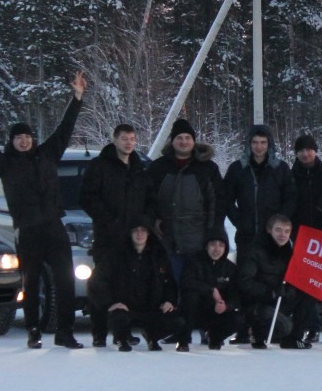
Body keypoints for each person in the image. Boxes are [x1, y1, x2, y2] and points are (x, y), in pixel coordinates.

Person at [0, 72, 86, 350]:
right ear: (12, 141)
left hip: (54, 226)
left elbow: (65, 128)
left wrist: (77, 98)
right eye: (19, 138)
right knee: (32, 281)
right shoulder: (4, 164)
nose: (24, 141)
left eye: (27, 137)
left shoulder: (48, 154)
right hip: (28, 230)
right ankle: (33, 330)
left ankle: (65, 331)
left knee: (65, 282)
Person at [80, 122, 152, 346]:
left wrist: (144, 223)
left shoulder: (139, 169)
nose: (129, 143)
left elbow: (149, 199)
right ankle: (99, 333)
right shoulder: (99, 166)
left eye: (132, 139)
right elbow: (87, 198)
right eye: (124, 139)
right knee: (101, 286)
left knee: (128, 286)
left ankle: (124, 330)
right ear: (114, 140)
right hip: (107, 237)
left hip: (133, 240)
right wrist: (109, 220)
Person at [144, 117, 222, 284]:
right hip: (167, 240)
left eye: (188, 138)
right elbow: (148, 198)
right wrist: (154, 219)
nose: (184, 142)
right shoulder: (158, 167)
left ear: (193, 141)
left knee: (196, 287)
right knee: (170, 287)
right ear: (172, 141)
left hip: (198, 241)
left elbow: (216, 203)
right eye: (179, 138)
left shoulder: (208, 168)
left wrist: (212, 232)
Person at [96, 218, 184, 352]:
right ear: (129, 234)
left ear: (149, 234)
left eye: (143, 230)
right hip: (125, 308)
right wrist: (110, 303)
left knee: (178, 322)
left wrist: (169, 301)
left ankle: (152, 336)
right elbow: (97, 281)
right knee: (118, 318)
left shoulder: (159, 255)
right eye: (135, 231)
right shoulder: (116, 255)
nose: (139, 234)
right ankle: (122, 338)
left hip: (152, 308)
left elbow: (170, 283)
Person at [236, 214, 314, 349]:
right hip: (257, 303)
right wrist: (269, 292)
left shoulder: (288, 252)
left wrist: (289, 291)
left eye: (286, 231)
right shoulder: (255, 250)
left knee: (307, 293)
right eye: (278, 230)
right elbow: (245, 281)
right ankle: (257, 333)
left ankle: (293, 339)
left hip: (278, 299)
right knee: (284, 327)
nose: (282, 235)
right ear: (269, 230)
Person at [224, 123, 297, 256]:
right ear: (249, 144)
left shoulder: (281, 168)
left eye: (263, 142)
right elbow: (226, 198)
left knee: (272, 274)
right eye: (255, 142)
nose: (259, 147)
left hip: (273, 236)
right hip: (246, 236)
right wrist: (239, 221)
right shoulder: (237, 168)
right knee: (245, 274)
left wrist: (279, 223)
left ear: (269, 143)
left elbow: (291, 198)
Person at [290, 133, 322, 343]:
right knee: (306, 283)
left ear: (316, 151)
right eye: (301, 150)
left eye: (309, 149)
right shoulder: (291, 174)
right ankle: (312, 325)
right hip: (300, 235)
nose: (305, 154)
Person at [179, 231, 243, 350]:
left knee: (238, 319)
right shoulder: (194, 262)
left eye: (221, 245)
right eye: (213, 244)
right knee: (190, 297)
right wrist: (211, 290)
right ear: (206, 246)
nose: (217, 249)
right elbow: (186, 282)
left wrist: (226, 306)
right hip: (195, 310)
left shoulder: (230, 268)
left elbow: (236, 295)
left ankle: (215, 337)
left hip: (217, 311)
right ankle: (183, 340)